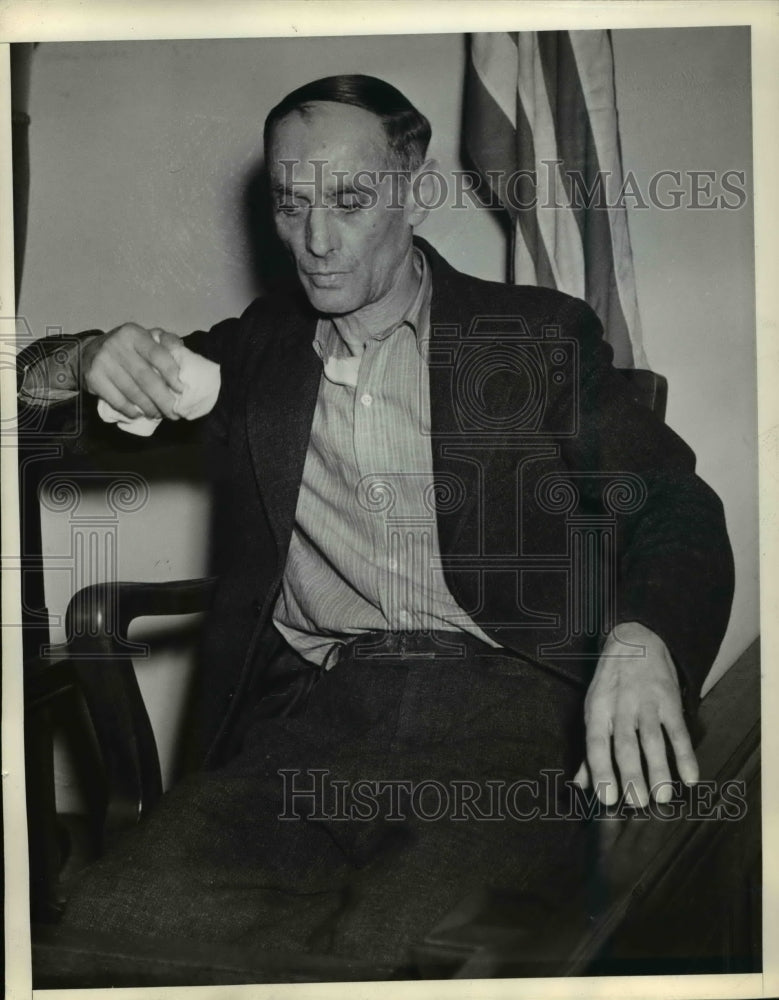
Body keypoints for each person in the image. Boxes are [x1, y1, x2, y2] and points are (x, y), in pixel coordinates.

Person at [23, 75, 734, 979]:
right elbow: (29, 409)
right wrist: (87, 357)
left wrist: (643, 642)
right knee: (113, 924)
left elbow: (673, 504)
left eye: (349, 201)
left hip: (515, 718)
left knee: (404, 957)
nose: (315, 243)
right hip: (311, 721)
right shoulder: (256, 353)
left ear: (414, 190)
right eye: (290, 205)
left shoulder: (532, 334)